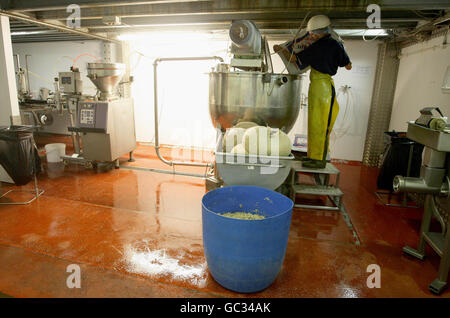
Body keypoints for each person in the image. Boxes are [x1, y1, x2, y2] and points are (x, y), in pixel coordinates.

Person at [274, 15, 352, 169]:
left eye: (313, 33)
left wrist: (281, 50)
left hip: (320, 87)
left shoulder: (316, 47)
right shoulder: (336, 45)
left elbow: (295, 60)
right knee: (319, 124)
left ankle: (319, 160)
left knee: (319, 124)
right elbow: (348, 65)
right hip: (326, 86)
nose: (311, 36)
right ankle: (314, 157)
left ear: (320, 32)